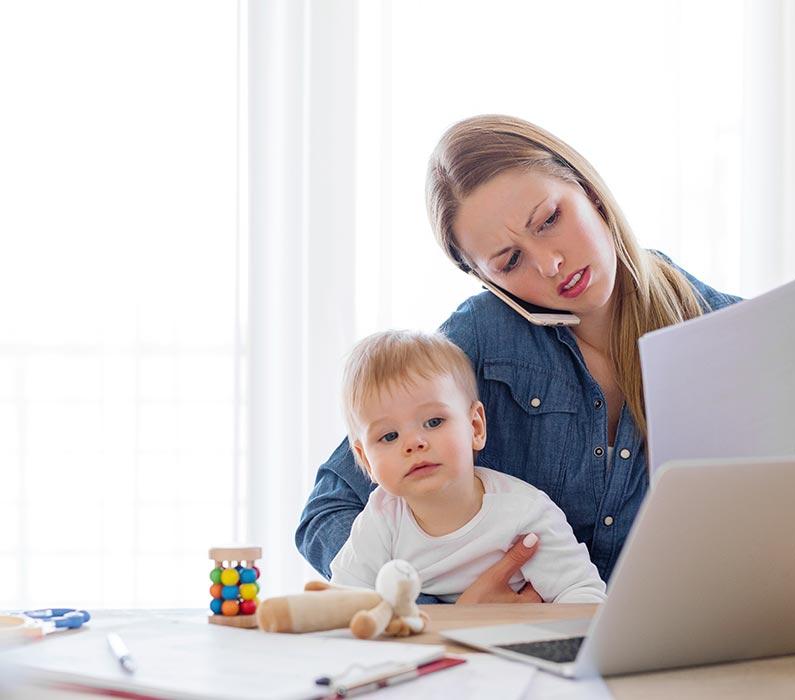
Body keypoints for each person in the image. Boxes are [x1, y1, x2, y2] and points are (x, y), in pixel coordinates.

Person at [297, 114, 742, 603]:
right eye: (510, 261)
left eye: (550, 220)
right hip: (512, 664)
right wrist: (437, 608)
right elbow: (328, 510)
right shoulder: (478, 341)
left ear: (588, 191)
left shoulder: (728, 328)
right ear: (488, 279)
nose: (550, 263)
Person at [329, 329, 606, 604]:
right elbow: (345, 603)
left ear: (475, 427)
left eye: (434, 422)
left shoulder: (525, 512)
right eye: (389, 436)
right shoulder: (381, 520)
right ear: (365, 460)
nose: (413, 444)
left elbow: (584, 595)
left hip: (515, 642)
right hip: (426, 645)